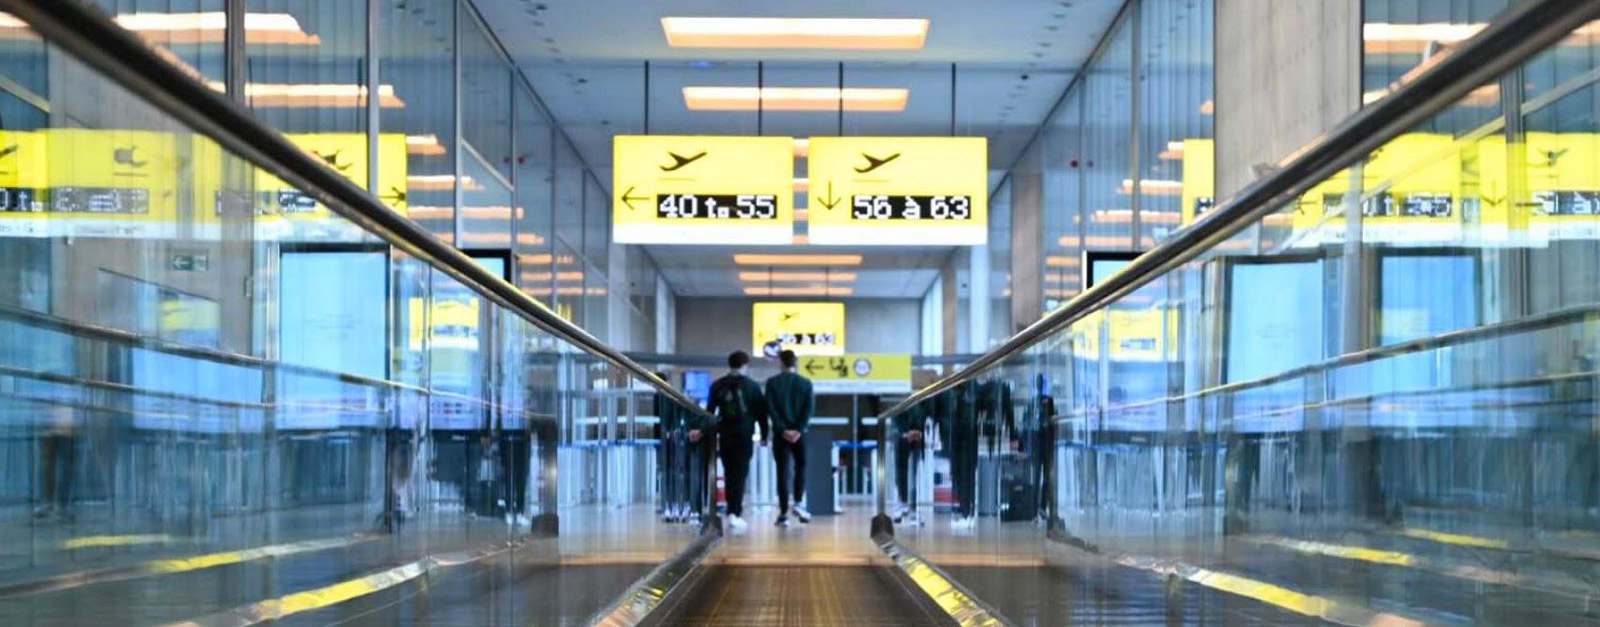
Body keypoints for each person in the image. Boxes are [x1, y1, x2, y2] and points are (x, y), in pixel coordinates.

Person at [695, 351, 768, 532]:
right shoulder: (752, 386)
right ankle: (735, 512)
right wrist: (765, 435)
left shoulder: (718, 385)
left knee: (728, 473)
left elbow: (710, 413)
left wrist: (702, 430)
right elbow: (761, 414)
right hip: (744, 435)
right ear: (745, 365)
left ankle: (730, 510)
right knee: (740, 474)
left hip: (725, 434)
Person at [765, 350, 815, 527]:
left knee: (782, 471)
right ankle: (799, 503)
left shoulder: (772, 383)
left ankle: (783, 512)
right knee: (801, 467)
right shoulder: (806, 383)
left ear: (781, 362)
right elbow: (809, 409)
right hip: (800, 435)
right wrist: (798, 429)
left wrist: (783, 429)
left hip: (781, 435)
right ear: (796, 363)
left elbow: (770, 409)